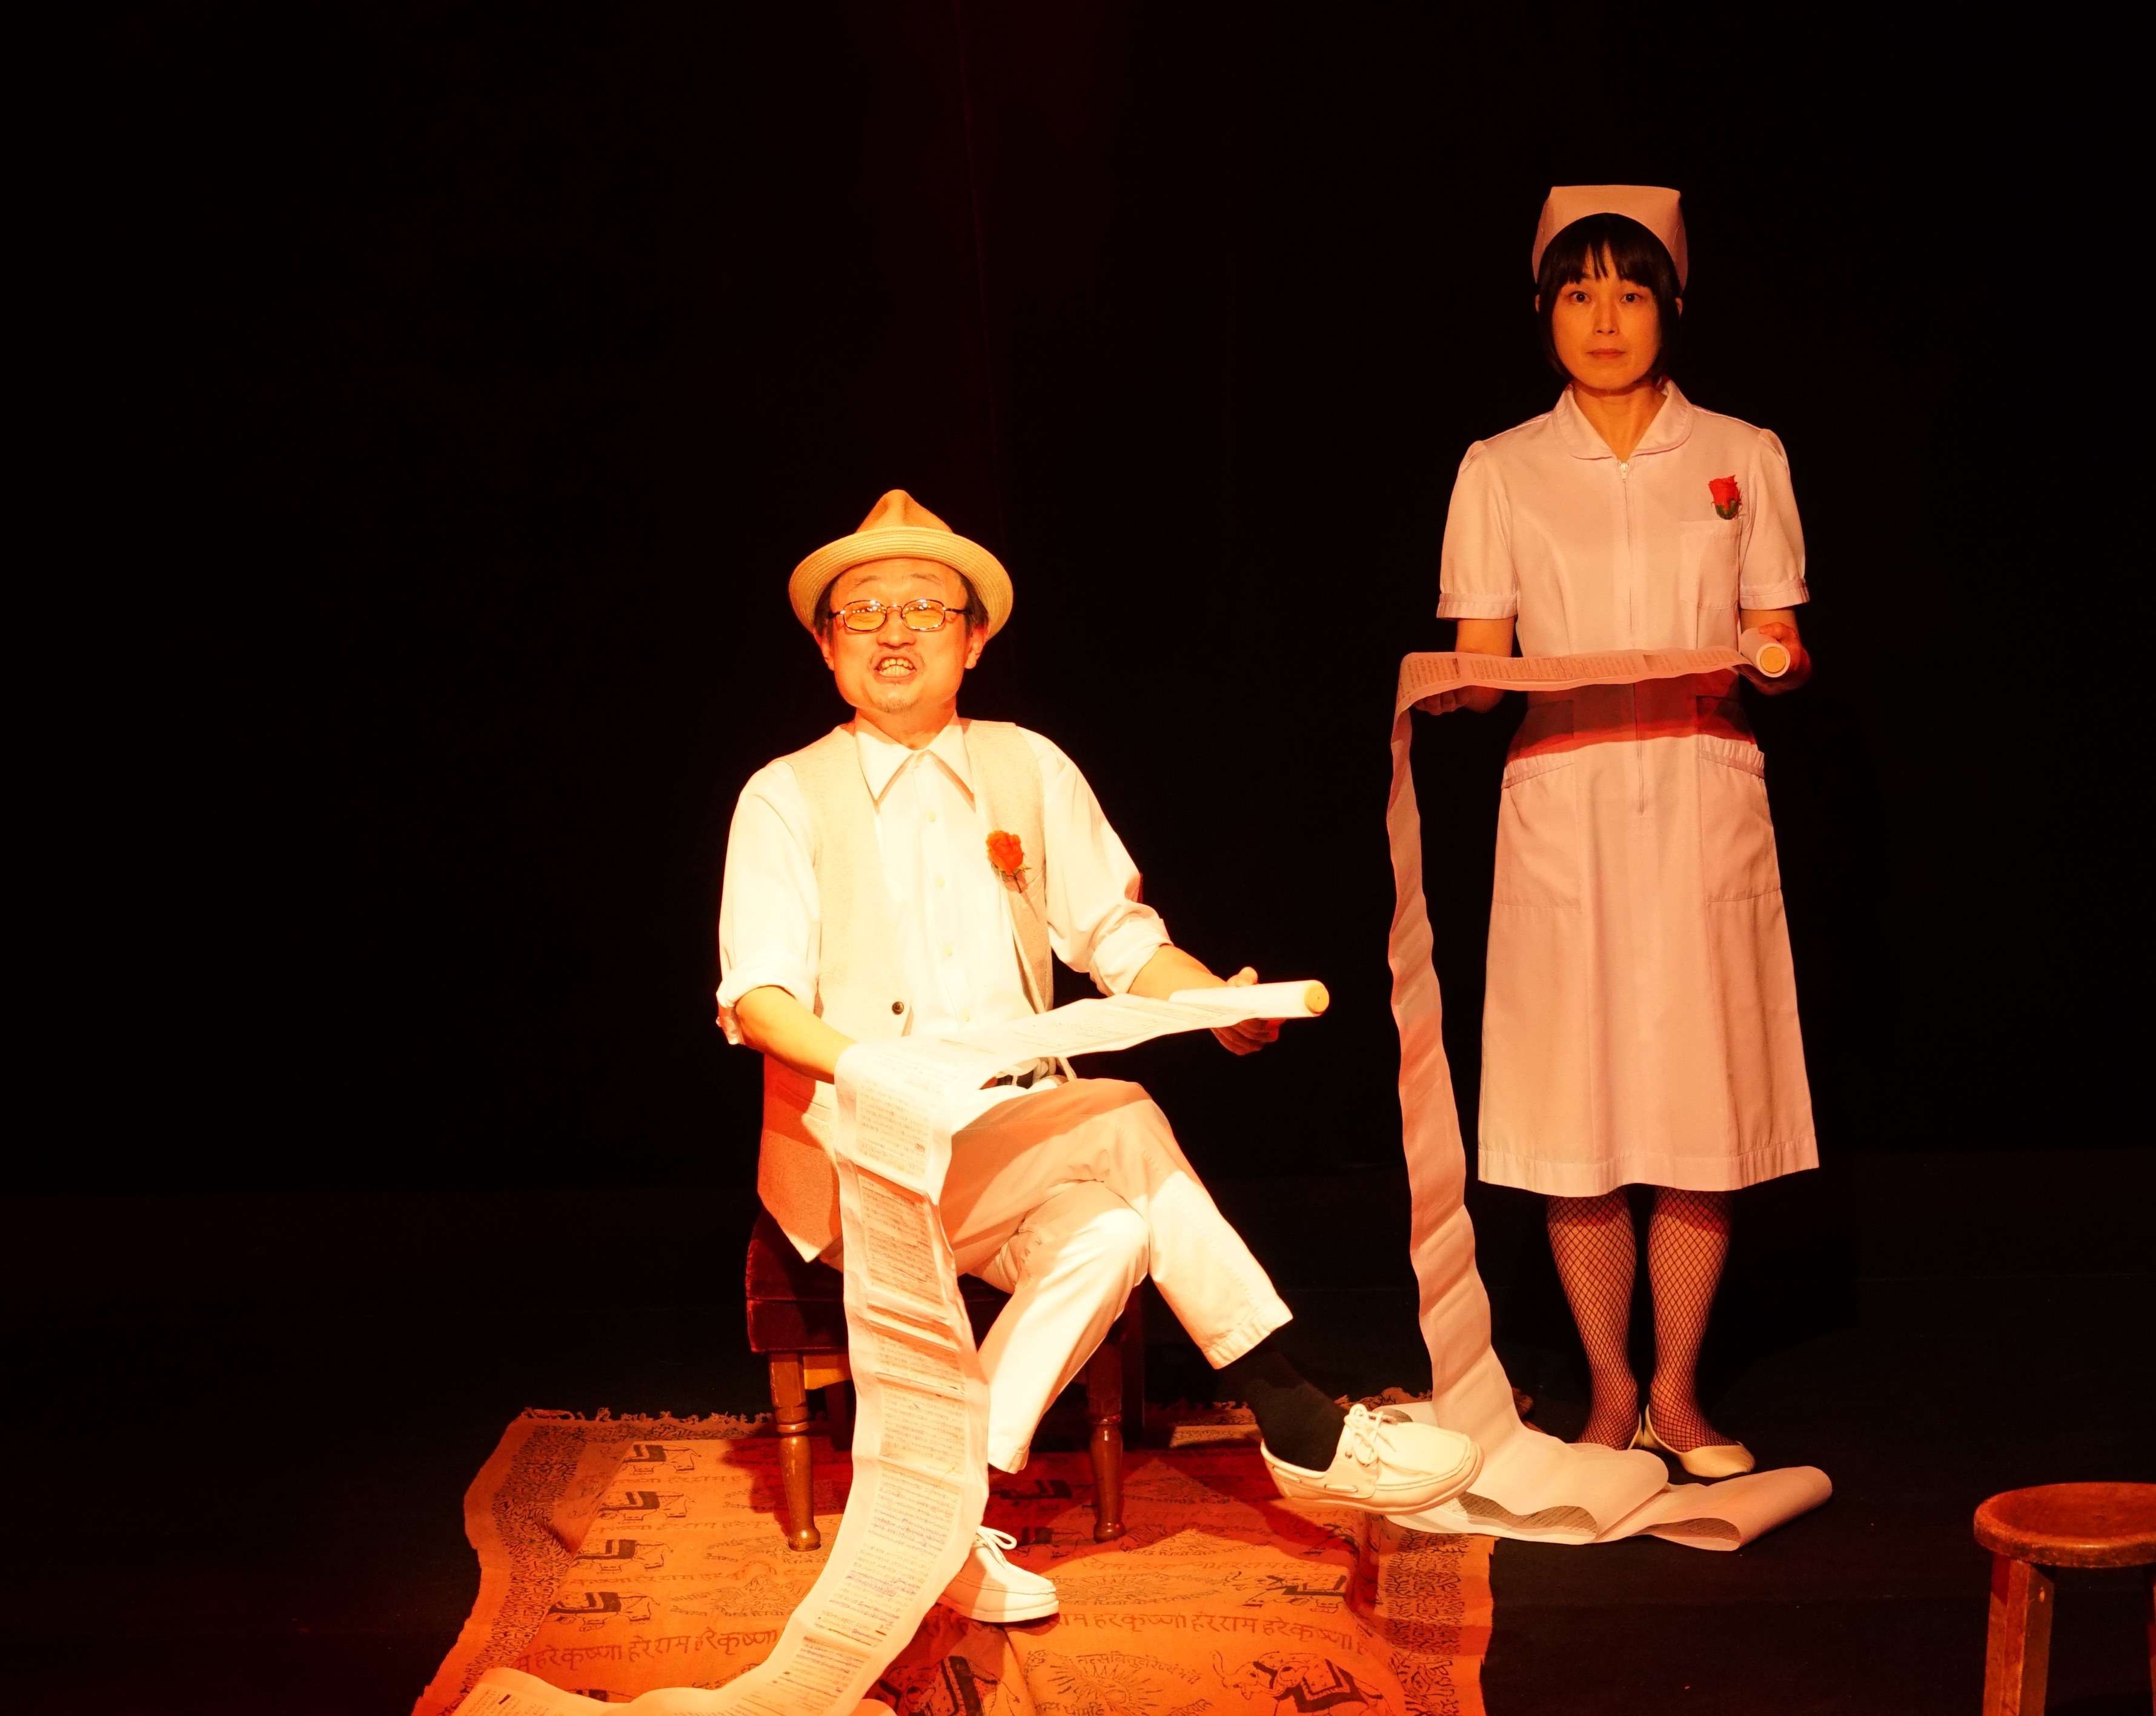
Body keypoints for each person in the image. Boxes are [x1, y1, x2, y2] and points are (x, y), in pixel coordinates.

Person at [720, 489, 1481, 1621]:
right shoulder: (784, 797)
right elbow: (760, 1001)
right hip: (862, 1153)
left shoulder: (1028, 767)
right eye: (863, 611)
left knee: (1115, 1228)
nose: (894, 632)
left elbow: (1118, 939)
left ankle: (941, 1515)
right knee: (1122, 1116)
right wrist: (879, 1072)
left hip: (1014, 1141)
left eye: (925, 609)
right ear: (827, 647)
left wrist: (1212, 1002)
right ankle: (1294, 1412)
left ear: (975, 640)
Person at [1418, 186, 1817, 1478]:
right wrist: (1458, 684)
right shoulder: (1499, 469)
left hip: (1701, 793)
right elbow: (1484, 661)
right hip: (1565, 799)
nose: (1603, 320)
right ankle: (1607, 1392)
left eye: (1630, 292)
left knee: (1699, 1098)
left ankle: (1681, 1394)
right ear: (1542, 311)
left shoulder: (1744, 453)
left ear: (1672, 306)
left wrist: (1773, 658)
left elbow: (1779, 639)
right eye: (1578, 293)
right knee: (1575, 1102)